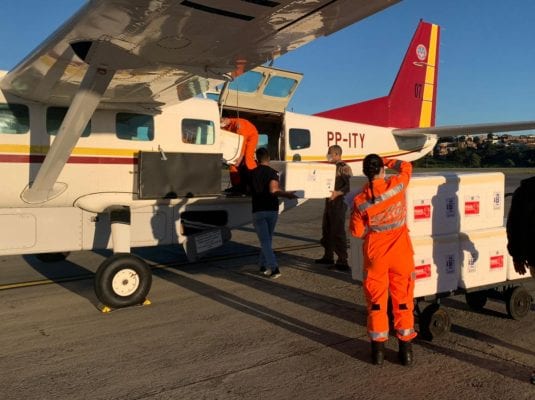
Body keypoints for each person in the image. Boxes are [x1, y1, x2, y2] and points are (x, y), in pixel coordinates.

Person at [350, 154, 416, 366]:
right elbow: (406, 167)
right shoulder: (397, 185)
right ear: (381, 170)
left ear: (364, 173)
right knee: (403, 302)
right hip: (401, 253)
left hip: (376, 255)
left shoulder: (360, 200)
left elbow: (356, 232)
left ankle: (377, 353)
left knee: (377, 304)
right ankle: (406, 353)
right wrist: (387, 160)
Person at [250, 147, 297, 278]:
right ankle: (264, 265)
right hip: (271, 209)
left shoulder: (252, 173)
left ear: (256, 159)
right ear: (269, 159)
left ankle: (273, 267)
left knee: (265, 241)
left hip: (258, 210)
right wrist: (287, 194)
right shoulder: (273, 173)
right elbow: (273, 190)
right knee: (267, 240)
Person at [315, 145, 353, 271]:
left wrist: (337, 193)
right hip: (330, 202)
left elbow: (348, 187)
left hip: (339, 202)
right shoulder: (330, 167)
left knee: (337, 231)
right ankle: (328, 256)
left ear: (337, 154)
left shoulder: (344, 168)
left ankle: (342, 260)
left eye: (330, 153)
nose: (328, 155)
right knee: (327, 229)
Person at [221, 117, 259, 194]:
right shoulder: (225, 127)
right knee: (233, 164)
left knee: (248, 159)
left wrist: (240, 157)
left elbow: (242, 142)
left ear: (226, 120)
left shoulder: (238, 124)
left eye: (221, 121)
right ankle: (237, 186)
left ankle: (255, 183)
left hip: (251, 137)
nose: (221, 124)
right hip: (240, 140)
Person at [506, 175, 535, 276]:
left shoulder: (525, 191)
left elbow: (514, 226)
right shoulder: (525, 192)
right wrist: (517, 256)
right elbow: (515, 225)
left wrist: (517, 256)